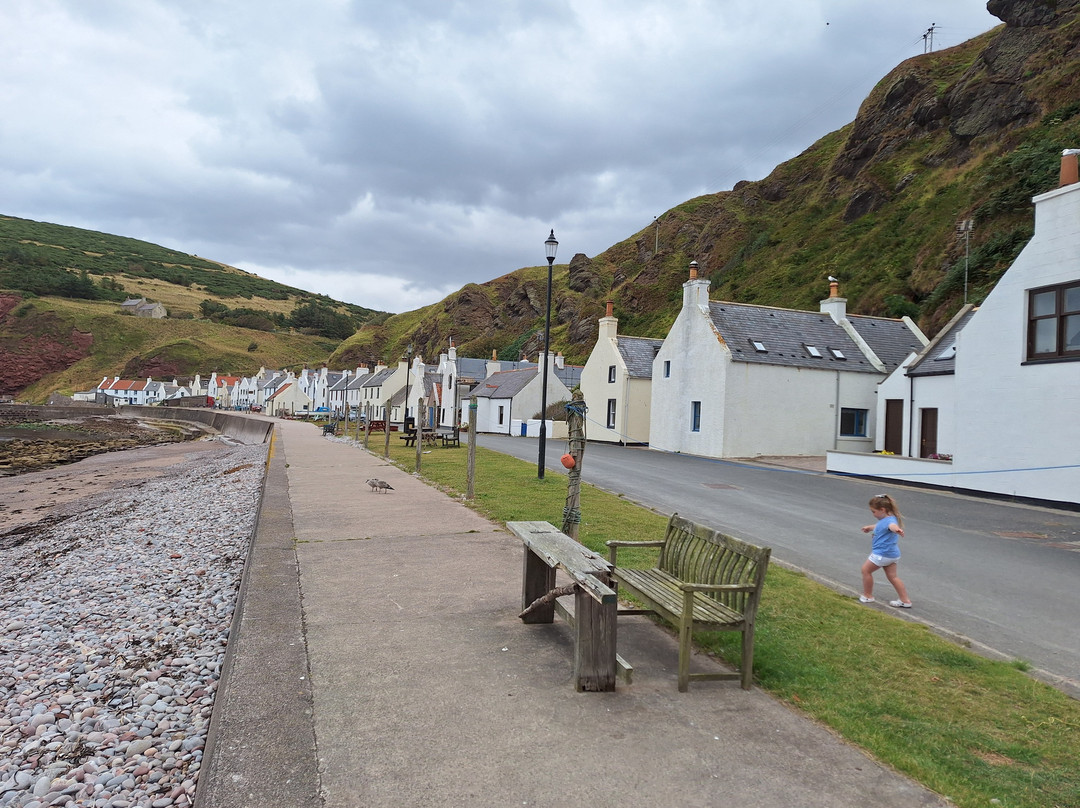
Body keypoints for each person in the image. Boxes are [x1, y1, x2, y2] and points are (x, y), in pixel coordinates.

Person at [859, 493, 912, 608]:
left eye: (874, 511)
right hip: (892, 555)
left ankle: (868, 596)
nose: (873, 514)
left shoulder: (890, 522)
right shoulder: (888, 518)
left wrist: (897, 530)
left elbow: (891, 526)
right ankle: (905, 600)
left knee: (865, 571)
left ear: (882, 509)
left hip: (881, 554)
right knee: (893, 577)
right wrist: (870, 527)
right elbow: (880, 526)